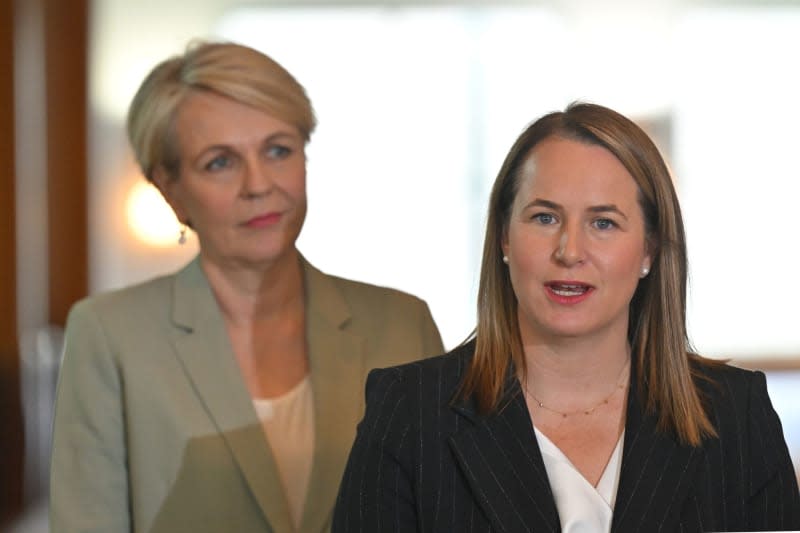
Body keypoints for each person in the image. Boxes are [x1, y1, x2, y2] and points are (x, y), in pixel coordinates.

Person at [333, 102, 800, 532]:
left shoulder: (735, 415)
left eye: (603, 223)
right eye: (544, 218)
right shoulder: (409, 414)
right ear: (503, 238)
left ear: (650, 250)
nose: (570, 251)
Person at [49, 41, 444, 533]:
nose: (259, 184)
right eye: (220, 162)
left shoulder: (403, 325)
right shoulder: (110, 335)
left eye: (278, 150)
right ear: (170, 190)